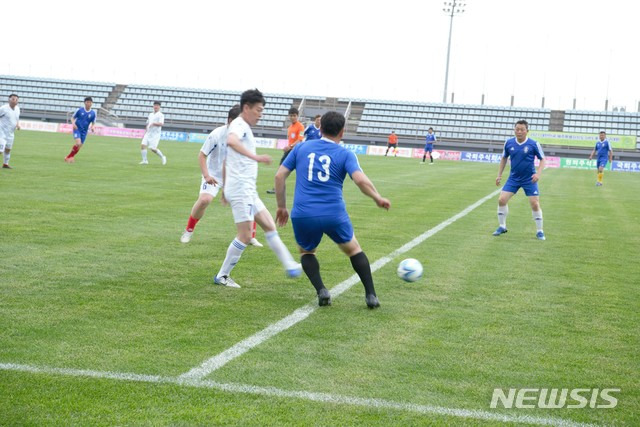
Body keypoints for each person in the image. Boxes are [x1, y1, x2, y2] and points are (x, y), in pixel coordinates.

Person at [275, 111, 391, 309]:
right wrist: (377, 198)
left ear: (320, 128)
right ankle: (371, 295)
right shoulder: (345, 153)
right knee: (353, 249)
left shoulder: (301, 148)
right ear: (342, 131)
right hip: (333, 213)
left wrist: (282, 207)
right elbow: (361, 180)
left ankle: (321, 290)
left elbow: (279, 176)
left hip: (304, 213)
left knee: (307, 252)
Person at [214, 89, 301, 288]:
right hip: (241, 189)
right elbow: (231, 141)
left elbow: (227, 159)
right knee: (245, 235)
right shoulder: (239, 125)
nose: (261, 114)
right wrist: (256, 157)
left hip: (245, 189)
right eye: (258, 110)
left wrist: (225, 189)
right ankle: (222, 275)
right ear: (247, 108)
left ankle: (289, 264)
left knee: (270, 226)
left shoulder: (243, 126)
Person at [180, 104, 263, 247]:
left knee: (249, 201)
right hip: (214, 176)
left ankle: (251, 237)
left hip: (234, 176)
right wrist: (206, 176)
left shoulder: (244, 135)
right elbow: (202, 155)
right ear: (229, 120)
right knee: (204, 200)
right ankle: (189, 230)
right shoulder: (217, 134)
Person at [493, 119, 546, 240]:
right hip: (514, 178)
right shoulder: (509, 143)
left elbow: (543, 159)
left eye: (522, 129)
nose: (519, 132)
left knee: (534, 203)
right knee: (501, 200)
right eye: (517, 129)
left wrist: (538, 174)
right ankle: (502, 226)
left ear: (527, 131)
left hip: (529, 179)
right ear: (514, 130)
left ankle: (540, 231)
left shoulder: (533, 144)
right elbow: (504, 158)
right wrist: (499, 175)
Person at [266, 107, 305, 194]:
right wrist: (287, 147)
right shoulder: (290, 127)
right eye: (291, 116)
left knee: (299, 170)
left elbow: (300, 139)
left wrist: (290, 146)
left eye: (294, 116)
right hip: (290, 150)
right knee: (282, 168)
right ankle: (278, 188)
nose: (292, 117)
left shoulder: (301, 126)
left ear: (297, 116)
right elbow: (291, 140)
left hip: (296, 151)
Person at [64, 97, 96, 163]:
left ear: (92, 103)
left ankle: (70, 157)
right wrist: (73, 124)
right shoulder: (79, 110)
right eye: (87, 102)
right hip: (77, 129)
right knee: (78, 143)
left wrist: (93, 127)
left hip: (84, 131)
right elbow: (72, 118)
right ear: (85, 103)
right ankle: (68, 157)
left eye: (90, 102)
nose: (89, 103)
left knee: (79, 146)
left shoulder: (93, 113)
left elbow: (93, 122)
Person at [0, 94, 20, 169]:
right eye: (13, 99)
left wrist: (18, 125)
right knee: (0, 150)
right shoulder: (3, 108)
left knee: (8, 150)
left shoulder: (17, 109)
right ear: (9, 100)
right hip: (1, 133)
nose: (15, 100)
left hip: (10, 133)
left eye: (16, 99)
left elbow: (17, 118)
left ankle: (5, 164)